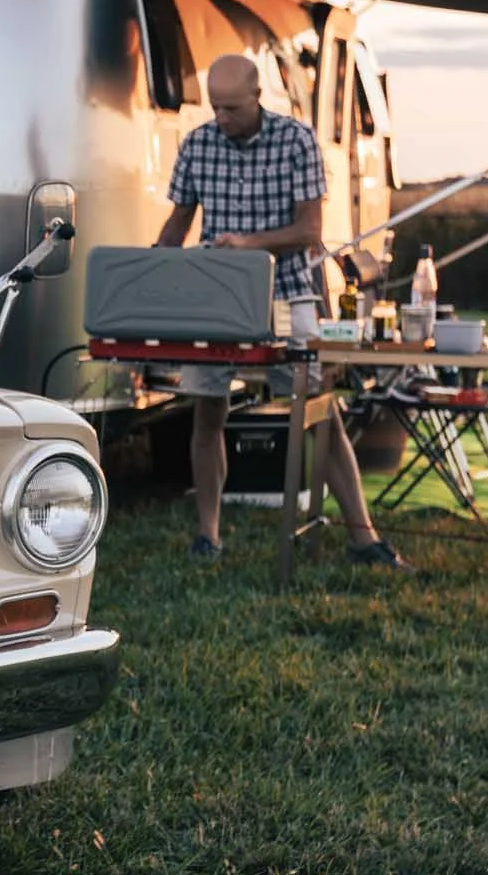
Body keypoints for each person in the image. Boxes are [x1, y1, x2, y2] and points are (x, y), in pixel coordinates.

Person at [154, 55, 412, 572]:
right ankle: (208, 534)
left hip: (288, 296)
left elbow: (309, 230)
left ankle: (363, 537)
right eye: (215, 108)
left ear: (256, 98)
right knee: (208, 410)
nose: (221, 118)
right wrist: (153, 276)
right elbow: (178, 223)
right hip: (218, 298)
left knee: (320, 412)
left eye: (230, 108)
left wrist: (248, 244)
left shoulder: (296, 140)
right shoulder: (198, 143)